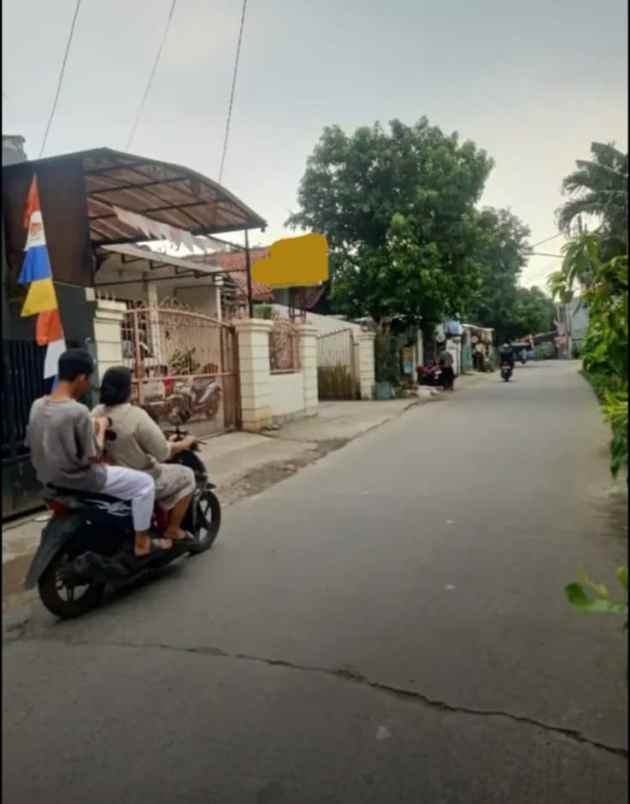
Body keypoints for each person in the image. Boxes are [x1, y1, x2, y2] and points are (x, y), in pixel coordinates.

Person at [26, 349, 167, 558]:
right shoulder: (78, 411)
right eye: (89, 379)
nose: (89, 385)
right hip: (82, 479)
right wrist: (100, 426)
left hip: (49, 478)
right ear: (81, 377)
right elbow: (93, 456)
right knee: (144, 483)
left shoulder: (37, 405)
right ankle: (142, 541)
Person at [92, 366, 197, 544]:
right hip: (142, 479)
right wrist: (186, 443)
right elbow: (163, 452)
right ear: (128, 389)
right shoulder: (137, 416)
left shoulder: (95, 412)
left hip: (109, 480)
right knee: (187, 475)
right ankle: (173, 530)